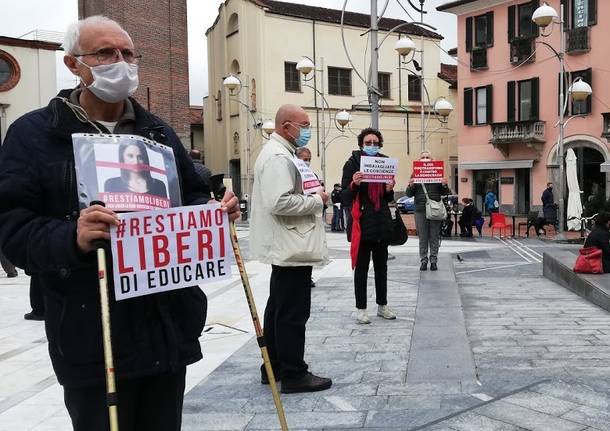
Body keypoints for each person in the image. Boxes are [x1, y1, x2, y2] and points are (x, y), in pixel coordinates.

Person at [0, 16, 239, 431]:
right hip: (91, 333)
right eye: (106, 53)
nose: (121, 62)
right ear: (74, 64)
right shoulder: (33, 134)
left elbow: (193, 194)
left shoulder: (159, 133)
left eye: (128, 54)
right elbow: (12, 228)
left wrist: (212, 213)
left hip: (166, 326)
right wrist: (70, 236)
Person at [249, 104, 332, 393]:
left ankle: (271, 366)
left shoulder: (281, 153)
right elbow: (279, 202)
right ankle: (294, 373)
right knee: (292, 313)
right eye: (304, 124)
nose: (308, 130)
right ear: (287, 127)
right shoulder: (277, 157)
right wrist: (318, 199)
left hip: (287, 243)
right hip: (290, 244)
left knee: (278, 308)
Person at [341, 128, 397, 324]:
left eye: (375, 142)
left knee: (382, 268)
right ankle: (361, 308)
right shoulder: (352, 164)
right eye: (368, 142)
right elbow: (345, 196)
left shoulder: (384, 161)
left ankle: (382, 305)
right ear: (361, 144)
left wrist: (389, 190)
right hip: (363, 223)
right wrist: (354, 184)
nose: (372, 145)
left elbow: (386, 197)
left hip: (381, 222)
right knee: (362, 269)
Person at [406, 150, 451, 271]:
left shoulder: (437, 174)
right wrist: (410, 185)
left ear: (432, 161)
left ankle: (434, 260)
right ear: (419, 160)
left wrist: (444, 185)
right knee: (423, 237)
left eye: (427, 157)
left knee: (434, 236)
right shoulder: (414, 175)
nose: (425, 159)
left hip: (434, 209)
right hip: (420, 210)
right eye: (423, 157)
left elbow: (446, 193)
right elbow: (409, 194)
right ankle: (423, 260)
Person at [104, 140, 168, 197]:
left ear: (145, 158)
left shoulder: (159, 185)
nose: (136, 161)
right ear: (122, 158)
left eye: (140, 157)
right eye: (130, 156)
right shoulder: (111, 184)